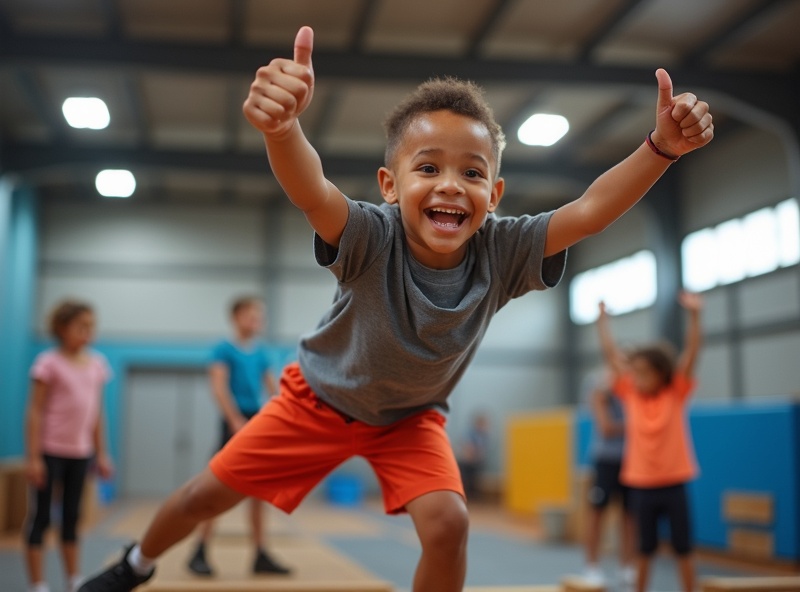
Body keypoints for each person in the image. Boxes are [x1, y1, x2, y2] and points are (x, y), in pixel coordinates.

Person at [78, 25, 713, 592]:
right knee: (203, 497)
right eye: (427, 167)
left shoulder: (505, 250)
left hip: (410, 419)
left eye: (472, 174)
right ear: (390, 185)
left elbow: (591, 210)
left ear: (493, 194)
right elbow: (312, 190)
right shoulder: (370, 234)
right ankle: (135, 563)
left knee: (449, 524)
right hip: (316, 400)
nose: (450, 185)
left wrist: (659, 148)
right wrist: (283, 129)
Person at [596, 293, 704, 592]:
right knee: (645, 549)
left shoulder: (675, 393)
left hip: (674, 481)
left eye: (644, 373)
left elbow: (692, 353)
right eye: (635, 372)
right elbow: (610, 355)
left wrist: (695, 316)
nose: (637, 377)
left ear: (661, 373)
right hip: (642, 484)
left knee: (683, 547)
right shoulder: (630, 394)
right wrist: (602, 321)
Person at [185, 296, 290, 576]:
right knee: (216, 486)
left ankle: (260, 554)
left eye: (259, 316)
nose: (256, 320)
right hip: (234, 422)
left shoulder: (262, 352)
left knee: (260, 489)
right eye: (251, 315)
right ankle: (200, 550)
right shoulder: (224, 349)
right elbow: (218, 387)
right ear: (236, 317)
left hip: (256, 421)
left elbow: (273, 389)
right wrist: (234, 419)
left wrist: (283, 417)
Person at [24, 300, 114, 592]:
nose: (88, 332)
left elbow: (97, 413)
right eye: (81, 326)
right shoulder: (48, 363)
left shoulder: (97, 364)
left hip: (80, 452)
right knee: (42, 516)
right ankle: (38, 583)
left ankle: (74, 579)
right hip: (50, 450)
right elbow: (35, 411)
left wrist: (102, 453)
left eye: (91, 326)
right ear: (62, 328)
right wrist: (33, 457)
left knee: (72, 517)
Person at [581, 368, 636, 589]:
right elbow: (605, 427)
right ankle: (591, 566)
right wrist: (638, 424)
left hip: (631, 461)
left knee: (630, 516)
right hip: (605, 461)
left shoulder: (634, 387)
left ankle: (627, 566)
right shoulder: (600, 384)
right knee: (597, 514)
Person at [457, 412, 490, 501]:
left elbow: (482, 452)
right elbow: (467, 449)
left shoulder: (484, 436)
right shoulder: (469, 433)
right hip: (466, 461)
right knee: (466, 474)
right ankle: (467, 493)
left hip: (476, 461)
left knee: (475, 475)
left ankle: (473, 493)